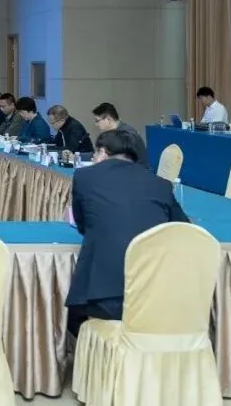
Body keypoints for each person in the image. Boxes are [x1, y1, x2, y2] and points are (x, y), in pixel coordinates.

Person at [65, 129, 189, 336]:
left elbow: (82, 225)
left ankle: (103, 355)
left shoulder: (85, 176)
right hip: (155, 294)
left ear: (103, 152)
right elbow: (183, 229)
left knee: (73, 318)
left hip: (104, 296)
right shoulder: (161, 185)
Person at [91, 102, 148, 167]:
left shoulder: (127, 135)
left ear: (108, 119)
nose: (96, 124)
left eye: (97, 121)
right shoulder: (114, 133)